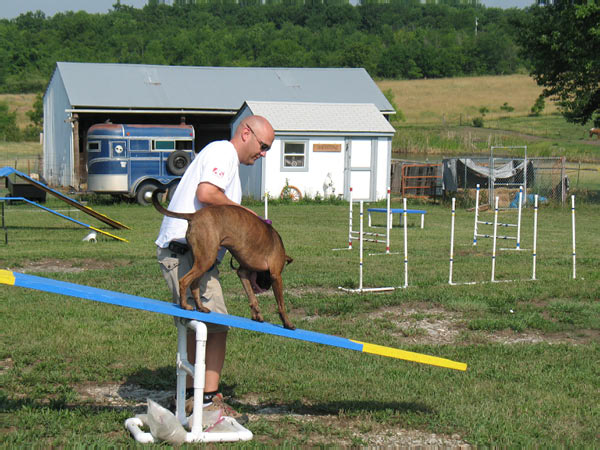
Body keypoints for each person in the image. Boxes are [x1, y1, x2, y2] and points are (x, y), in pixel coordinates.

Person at [155, 115, 274, 422]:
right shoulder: (224, 152)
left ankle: (190, 395)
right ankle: (208, 402)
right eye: (263, 146)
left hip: (185, 252)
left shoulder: (224, 159)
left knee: (200, 327)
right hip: (186, 254)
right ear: (245, 133)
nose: (263, 154)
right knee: (216, 325)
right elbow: (206, 194)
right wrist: (246, 213)